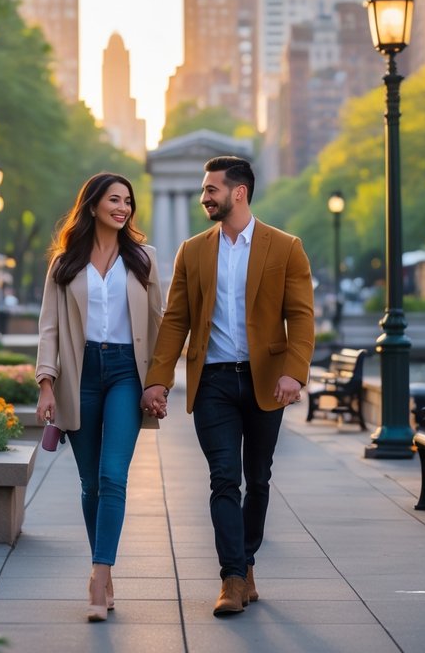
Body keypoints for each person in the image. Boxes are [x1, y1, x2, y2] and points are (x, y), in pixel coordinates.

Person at [140, 155, 315, 617]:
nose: (204, 198)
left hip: (265, 382)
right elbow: (176, 319)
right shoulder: (193, 251)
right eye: (202, 190)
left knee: (258, 480)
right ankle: (231, 578)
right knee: (224, 480)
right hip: (213, 380)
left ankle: (247, 561)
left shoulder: (286, 247)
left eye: (211, 190)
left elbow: (300, 316)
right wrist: (158, 379)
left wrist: (293, 371)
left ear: (238, 192)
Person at [35, 172, 163, 622]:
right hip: (80, 374)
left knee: (113, 477)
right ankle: (106, 576)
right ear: (92, 206)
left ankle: (97, 575)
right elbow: (49, 327)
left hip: (127, 374)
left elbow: (159, 324)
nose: (123, 208)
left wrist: (158, 382)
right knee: (90, 483)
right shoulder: (64, 264)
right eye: (114, 199)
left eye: (128, 201)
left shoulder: (143, 259)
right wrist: (46, 384)